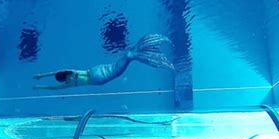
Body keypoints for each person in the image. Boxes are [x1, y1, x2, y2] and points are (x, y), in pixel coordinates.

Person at [33, 34, 174, 90]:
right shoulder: (70, 72)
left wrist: (40, 87)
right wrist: (42, 75)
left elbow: (53, 88)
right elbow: (58, 72)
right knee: (127, 57)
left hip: (100, 77)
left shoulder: (69, 83)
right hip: (96, 70)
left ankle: (139, 53)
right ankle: (139, 51)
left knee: (128, 59)